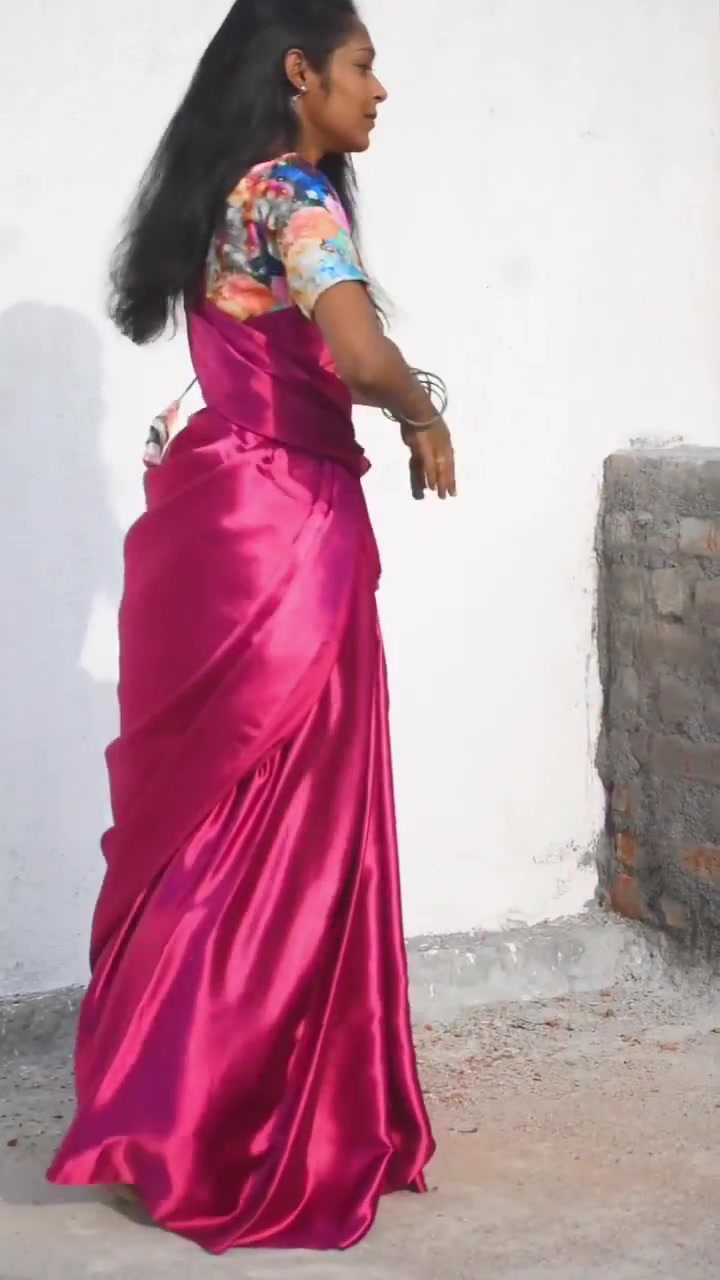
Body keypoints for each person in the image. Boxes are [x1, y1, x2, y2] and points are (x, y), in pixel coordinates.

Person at [47, 0, 456, 1254]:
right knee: (291, 830)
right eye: (361, 65)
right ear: (299, 72)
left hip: (216, 522)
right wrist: (422, 409)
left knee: (214, 824)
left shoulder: (228, 196)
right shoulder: (296, 196)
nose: (378, 88)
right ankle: (245, 1122)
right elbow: (357, 351)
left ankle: (163, 1107)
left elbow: (243, 363)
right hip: (288, 539)